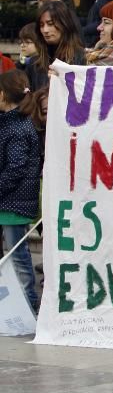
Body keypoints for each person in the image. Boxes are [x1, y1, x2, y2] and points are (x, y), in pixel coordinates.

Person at [0, 69, 42, 312]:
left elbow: (15, 168)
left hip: (14, 203)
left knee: (18, 257)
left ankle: (29, 304)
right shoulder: (11, 122)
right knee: (16, 256)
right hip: (10, 200)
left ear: (4, 95)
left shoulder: (17, 127)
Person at [29, 1, 86, 92]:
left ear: (64, 24)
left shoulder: (82, 58)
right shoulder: (34, 63)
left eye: (50, 24)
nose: (45, 30)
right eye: (41, 25)